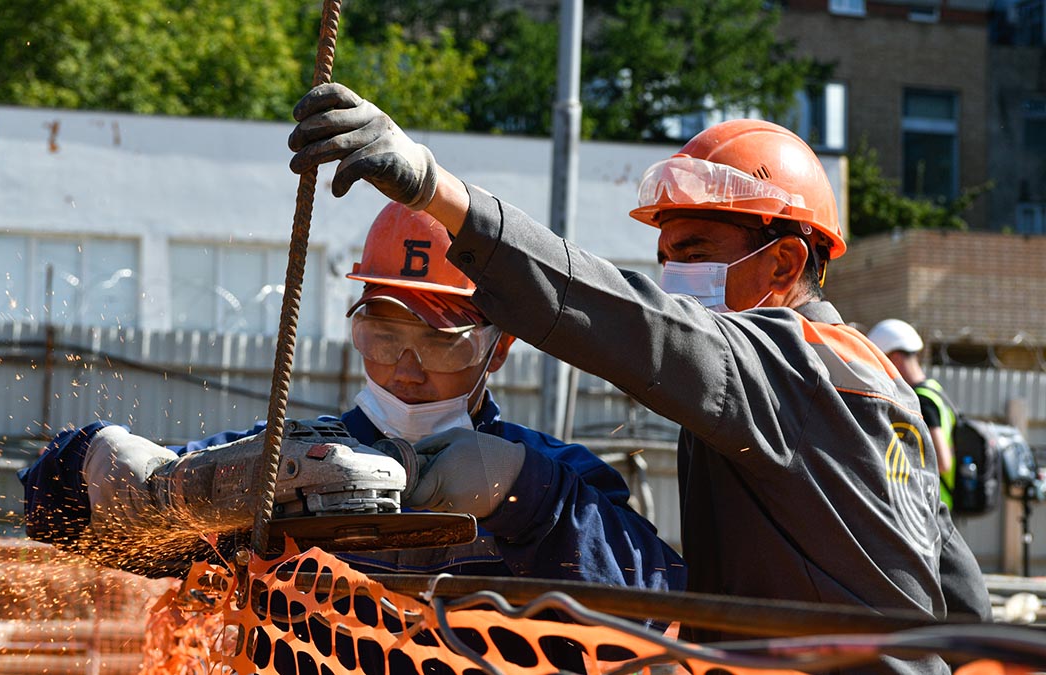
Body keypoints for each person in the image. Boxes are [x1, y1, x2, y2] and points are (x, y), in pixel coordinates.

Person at [287, 84, 990, 673]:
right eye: (666, 254)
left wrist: (436, 191)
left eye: (695, 251)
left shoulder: (780, 362)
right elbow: (956, 591)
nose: (675, 278)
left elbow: (632, 323)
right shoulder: (878, 380)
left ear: (783, 264)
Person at [19, 201, 685, 595]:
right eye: (384, 334)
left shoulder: (560, 482)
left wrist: (529, 498)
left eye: (441, 341)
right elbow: (54, 513)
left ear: (497, 348)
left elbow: (663, 598)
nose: (407, 368)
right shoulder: (282, 467)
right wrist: (164, 485)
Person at [868, 318, 957, 509]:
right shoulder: (935, 389)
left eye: (881, 361)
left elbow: (942, 462)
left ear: (895, 359)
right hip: (939, 505)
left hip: (929, 508)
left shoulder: (920, 400)